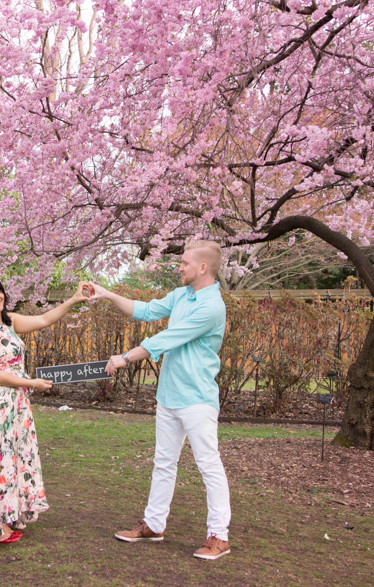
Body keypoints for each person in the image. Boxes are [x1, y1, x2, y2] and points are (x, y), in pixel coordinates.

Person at [86, 239, 232, 560]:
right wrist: (107, 294)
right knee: (164, 462)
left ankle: (219, 535)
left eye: (184, 263)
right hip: (169, 395)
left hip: (197, 399)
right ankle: (154, 525)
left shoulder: (211, 307)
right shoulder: (182, 294)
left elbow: (167, 338)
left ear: (202, 268)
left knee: (208, 464)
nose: (179, 267)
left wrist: (126, 357)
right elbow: (147, 310)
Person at [0, 273, 90, 545]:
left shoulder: (8, 322)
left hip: (15, 403)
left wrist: (73, 299)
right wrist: (31, 383)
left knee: (10, 460)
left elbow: (44, 319)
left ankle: (2, 515)